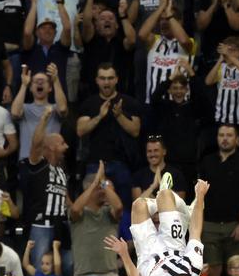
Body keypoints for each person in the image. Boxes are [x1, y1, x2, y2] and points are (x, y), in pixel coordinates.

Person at [104, 178, 210, 276]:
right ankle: (178, 209)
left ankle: (181, 212)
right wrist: (200, 195)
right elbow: (195, 231)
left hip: (147, 253)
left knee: (139, 205)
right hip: (173, 245)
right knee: (165, 194)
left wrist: (124, 253)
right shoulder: (194, 265)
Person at [77, 63, 141, 238]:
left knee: (123, 209)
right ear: (97, 80)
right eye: (103, 78)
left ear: (116, 80)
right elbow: (80, 130)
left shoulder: (128, 102)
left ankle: (125, 248)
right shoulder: (89, 103)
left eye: (110, 78)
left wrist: (119, 115)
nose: (107, 82)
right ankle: (96, 242)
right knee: (93, 207)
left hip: (121, 164)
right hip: (95, 166)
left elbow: (135, 130)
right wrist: (100, 116)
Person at [198, 125, 239, 276]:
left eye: (229, 135)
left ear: (237, 140)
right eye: (221, 135)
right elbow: (199, 196)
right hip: (210, 225)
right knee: (212, 272)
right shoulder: (206, 162)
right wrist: (200, 224)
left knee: (236, 271)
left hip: (235, 225)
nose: (224, 138)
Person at [24, 105, 71, 276]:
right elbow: (36, 144)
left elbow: (66, 199)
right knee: (39, 271)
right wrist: (44, 118)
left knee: (65, 267)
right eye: (62, 143)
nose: (66, 147)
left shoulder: (62, 171)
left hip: (60, 226)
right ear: (51, 147)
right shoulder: (39, 166)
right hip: (41, 226)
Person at [150, 63, 202, 196]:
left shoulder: (193, 108)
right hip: (169, 163)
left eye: (181, 88)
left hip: (189, 163)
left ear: (186, 90)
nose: (178, 91)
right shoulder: (164, 107)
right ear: (169, 90)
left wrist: (191, 73)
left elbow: (203, 99)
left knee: (189, 200)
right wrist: (170, 78)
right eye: (174, 88)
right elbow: (154, 97)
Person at [138, 0, 195, 106]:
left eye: (168, 19)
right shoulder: (155, 41)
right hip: (154, 103)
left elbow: (184, 41)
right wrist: (161, 8)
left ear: (179, 22)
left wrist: (169, 15)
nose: (164, 22)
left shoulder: (190, 42)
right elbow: (142, 34)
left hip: (179, 104)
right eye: (161, 20)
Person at [70, 161, 123, 276]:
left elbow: (119, 207)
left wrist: (103, 183)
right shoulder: (80, 214)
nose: (105, 192)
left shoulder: (110, 213)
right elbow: (74, 209)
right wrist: (95, 183)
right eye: (101, 188)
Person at [80, 0, 136, 97]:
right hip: (93, 94)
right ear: (96, 25)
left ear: (116, 25)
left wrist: (123, 15)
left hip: (120, 94)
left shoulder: (121, 41)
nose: (107, 21)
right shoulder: (91, 39)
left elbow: (131, 40)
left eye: (111, 19)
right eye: (102, 19)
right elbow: (86, 23)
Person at [204, 37, 239, 155]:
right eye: (226, 50)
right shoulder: (221, 68)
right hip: (222, 119)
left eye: (232, 50)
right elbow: (208, 81)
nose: (228, 53)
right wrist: (220, 60)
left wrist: (230, 57)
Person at [11, 64, 68, 166]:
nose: (40, 83)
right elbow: (15, 112)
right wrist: (24, 85)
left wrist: (55, 80)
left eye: (43, 81)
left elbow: (63, 108)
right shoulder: (24, 108)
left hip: (51, 161)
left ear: (50, 88)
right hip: (27, 160)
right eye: (36, 82)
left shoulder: (55, 108)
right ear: (31, 88)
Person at [21, 0, 72, 92]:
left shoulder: (60, 48)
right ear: (37, 32)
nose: (47, 30)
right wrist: (34, 3)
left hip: (58, 98)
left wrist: (59, 2)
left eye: (51, 28)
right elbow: (27, 32)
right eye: (43, 28)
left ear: (55, 33)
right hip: (34, 99)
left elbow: (67, 28)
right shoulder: (31, 49)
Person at [132, 136, 187, 201]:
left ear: (164, 152)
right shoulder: (138, 175)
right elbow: (136, 204)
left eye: (156, 150)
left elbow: (180, 203)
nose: (152, 154)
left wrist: (162, 184)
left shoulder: (176, 174)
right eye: (149, 151)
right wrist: (152, 187)